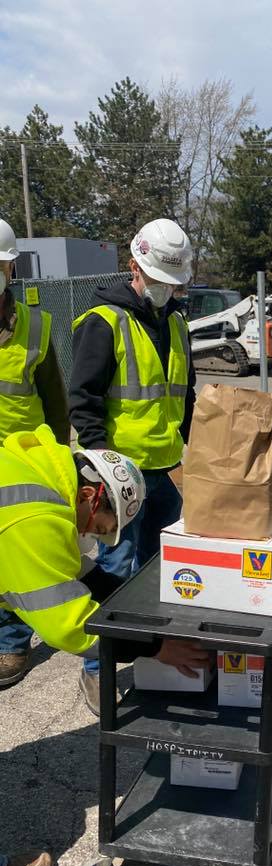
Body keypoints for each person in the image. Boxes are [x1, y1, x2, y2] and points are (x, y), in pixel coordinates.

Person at [0, 424, 208, 866]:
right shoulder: (32, 518)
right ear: (91, 494)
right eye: (97, 526)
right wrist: (156, 646)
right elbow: (69, 626)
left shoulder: (37, 474)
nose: (89, 535)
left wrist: (133, 608)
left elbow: (77, 569)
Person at [69, 218, 195, 715]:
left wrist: (194, 447)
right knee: (113, 572)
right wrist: (102, 465)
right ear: (135, 268)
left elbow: (183, 393)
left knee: (160, 569)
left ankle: (151, 654)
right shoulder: (104, 320)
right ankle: (96, 668)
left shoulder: (177, 322)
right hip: (117, 474)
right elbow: (83, 400)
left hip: (166, 468)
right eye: (159, 279)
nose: (166, 289)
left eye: (173, 282)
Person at [0, 219, 70, 689]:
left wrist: (59, 463)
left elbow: (55, 402)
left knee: (18, 555)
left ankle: (11, 642)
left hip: (22, 465)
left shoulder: (36, 325)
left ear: (11, 269)